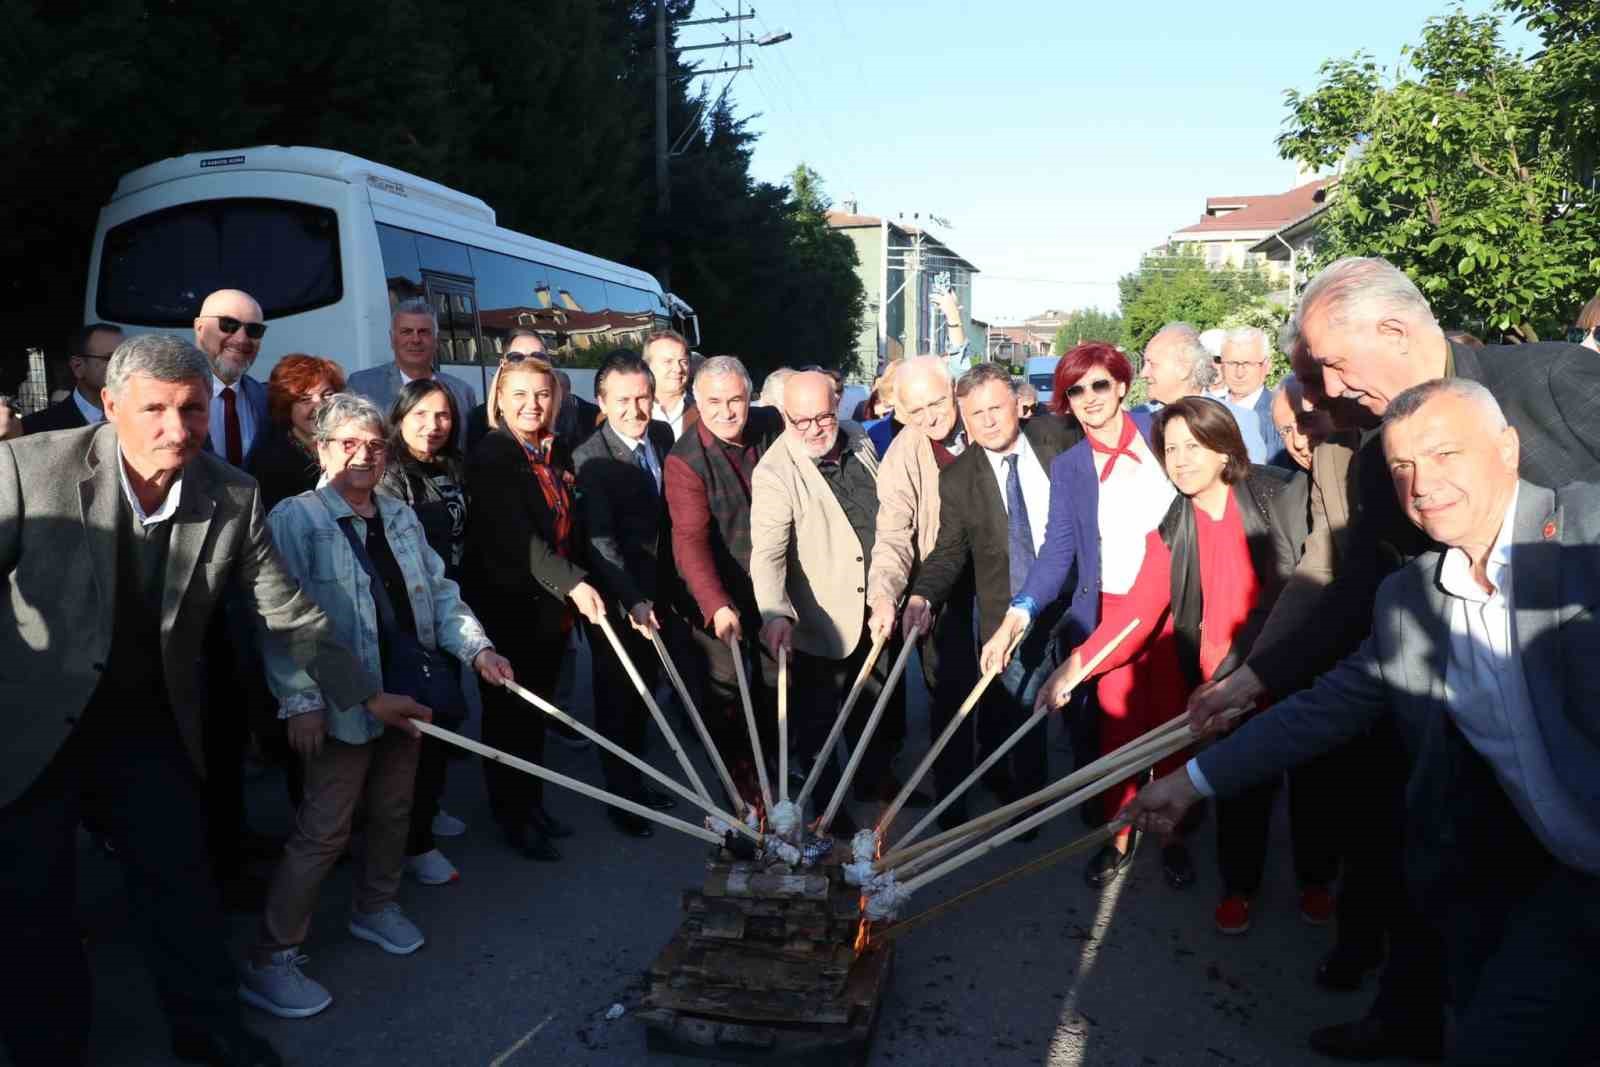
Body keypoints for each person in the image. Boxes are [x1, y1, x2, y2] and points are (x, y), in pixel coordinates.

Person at [1186, 256, 1600, 1060]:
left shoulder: (1553, 381)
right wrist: (1255, 679)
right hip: (1473, 741)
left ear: (1396, 331)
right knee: (1463, 919)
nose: (1331, 390)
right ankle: (1414, 1016)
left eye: (1337, 364)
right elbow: (1357, 595)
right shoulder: (1381, 458)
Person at [0, 334, 427, 1067]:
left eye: (192, 408)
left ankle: (212, 1035)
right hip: (37, 723)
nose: (177, 427)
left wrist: (367, 693)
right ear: (109, 405)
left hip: (146, 724)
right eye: (155, 409)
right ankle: (48, 1047)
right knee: (34, 902)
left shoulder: (230, 493)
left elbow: (286, 611)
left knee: (182, 887)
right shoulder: (25, 468)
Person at [242, 394, 510, 1020]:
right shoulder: (295, 519)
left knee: (395, 806)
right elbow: (278, 621)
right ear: (322, 447)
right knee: (325, 827)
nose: (362, 456)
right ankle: (272, 956)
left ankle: (376, 906)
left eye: (375, 445)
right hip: (338, 699)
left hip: (405, 688)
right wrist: (300, 700)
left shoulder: (400, 515)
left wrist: (479, 651)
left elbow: (440, 593)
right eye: (347, 444)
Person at [1035, 397, 1321, 932]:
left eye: (1195, 445)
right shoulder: (1174, 521)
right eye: (1171, 449)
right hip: (1218, 685)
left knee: (1311, 783)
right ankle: (1240, 888)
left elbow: (1295, 588)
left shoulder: (1275, 493)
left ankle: (1317, 881)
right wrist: (1075, 668)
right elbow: (1139, 612)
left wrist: (1250, 666)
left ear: (1224, 447)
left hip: (1284, 665)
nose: (1182, 459)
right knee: (1240, 790)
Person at [981, 343, 1183, 876]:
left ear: (1122, 386)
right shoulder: (1071, 466)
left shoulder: (1164, 439)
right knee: (1115, 729)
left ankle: (1173, 833)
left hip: (1175, 608)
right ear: (1065, 400)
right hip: (1110, 611)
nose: (1090, 397)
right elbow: (1058, 550)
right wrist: (1018, 612)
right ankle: (1117, 836)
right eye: (1076, 389)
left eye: (1100, 384)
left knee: (1174, 727)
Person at [905, 363, 1084, 837]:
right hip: (1011, 609)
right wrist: (924, 593)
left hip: (1081, 595)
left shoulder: (1061, 436)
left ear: (1018, 405)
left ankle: (1100, 804)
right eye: (975, 414)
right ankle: (1024, 812)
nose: (987, 421)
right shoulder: (959, 479)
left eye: (995, 409)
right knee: (1020, 708)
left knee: (1088, 707)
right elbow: (948, 551)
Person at [464, 353, 607, 861]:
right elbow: (516, 539)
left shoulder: (551, 451)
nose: (532, 404)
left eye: (542, 394)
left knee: (535, 715)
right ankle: (513, 816)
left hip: (547, 610)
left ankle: (532, 803)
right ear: (500, 399)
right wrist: (574, 585)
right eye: (520, 394)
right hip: (509, 608)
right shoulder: (494, 455)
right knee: (509, 717)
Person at [751, 370, 902, 830]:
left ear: (838, 404)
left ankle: (871, 780)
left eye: (824, 416)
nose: (816, 428)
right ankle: (826, 809)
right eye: (802, 421)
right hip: (820, 620)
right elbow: (768, 554)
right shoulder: (775, 471)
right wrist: (775, 613)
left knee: (874, 705)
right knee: (819, 722)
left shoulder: (858, 438)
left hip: (875, 604)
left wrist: (886, 589)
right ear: (784, 417)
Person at [663, 356, 786, 805]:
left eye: (736, 400)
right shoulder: (685, 460)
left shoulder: (772, 423)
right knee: (727, 687)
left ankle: (782, 771)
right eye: (714, 402)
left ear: (750, 398)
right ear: (697, 401)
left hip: (774, 579)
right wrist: (715, 603)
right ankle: (742, 784)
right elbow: (690, 540)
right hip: (715, 583)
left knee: (778, 679)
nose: (727, 412)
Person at [572, 352, 680, 836]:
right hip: (618, 600)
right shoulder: (591, 458)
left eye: (643, 398)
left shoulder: (661, 436)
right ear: (602, 401)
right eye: (623, 400)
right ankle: (622, 798)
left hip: (658, 596)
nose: (635, 409)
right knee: (619, 697)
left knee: (646, 695)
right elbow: (600, 543)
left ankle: (641, 781)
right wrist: (633, 598)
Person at [866, 355, 975, 827]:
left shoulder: (982, 420)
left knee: (1002, 682)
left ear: (953, 390)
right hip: (937, 579)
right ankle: (953, 796)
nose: (931, 417)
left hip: (993, 575)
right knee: (948, 686)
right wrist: (884, 594)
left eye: (937, 403)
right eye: (916, 411)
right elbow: (892, 532)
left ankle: (1003, 777)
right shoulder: (904, 453)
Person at [380, 379, 473, 885]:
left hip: (449, 607)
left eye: (442, 416)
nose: (432, 426)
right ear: (399, 418)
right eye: (419, 415)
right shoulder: (392, 477)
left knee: (446, 716)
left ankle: (427, 809)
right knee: (424, 722)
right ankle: (412, 842)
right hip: (413, 618)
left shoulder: (450, 466)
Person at [347, 299, 478, 451]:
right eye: (406, 332)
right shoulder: (362, 387)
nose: (415, 340)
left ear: (436, 340)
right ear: (392, 339)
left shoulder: (462, 392)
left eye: (424, 332)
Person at [250, 355, 345, 511]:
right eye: (305, 399)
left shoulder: (351, 447)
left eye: (327, 395)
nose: (320, 406)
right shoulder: (272, 463)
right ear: (286, 407)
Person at [193, 289, 270, 468]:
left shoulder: (268, 400)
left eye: (254, 330)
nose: (241, 339)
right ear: (200, 328)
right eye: (228, 324)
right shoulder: (170, 396)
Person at [22, 323, 122, 434]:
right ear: (77, 367)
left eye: (125, 359)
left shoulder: (138, 421)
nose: (123, 366)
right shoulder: (38, 428)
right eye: (109, 358)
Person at [1218, 327, 1285, 466]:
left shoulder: (1280, 414)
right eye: (1232, 363)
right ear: (1222, 366)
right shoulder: (1210, 410)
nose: (1239, 372)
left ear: (1267, 366)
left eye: (1248, 364)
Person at [643, 329, 697, 440]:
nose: (678, 369)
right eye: (668, 361)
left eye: (683, 361)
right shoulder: (632, 411)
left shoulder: (704, 407)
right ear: (647, 366)